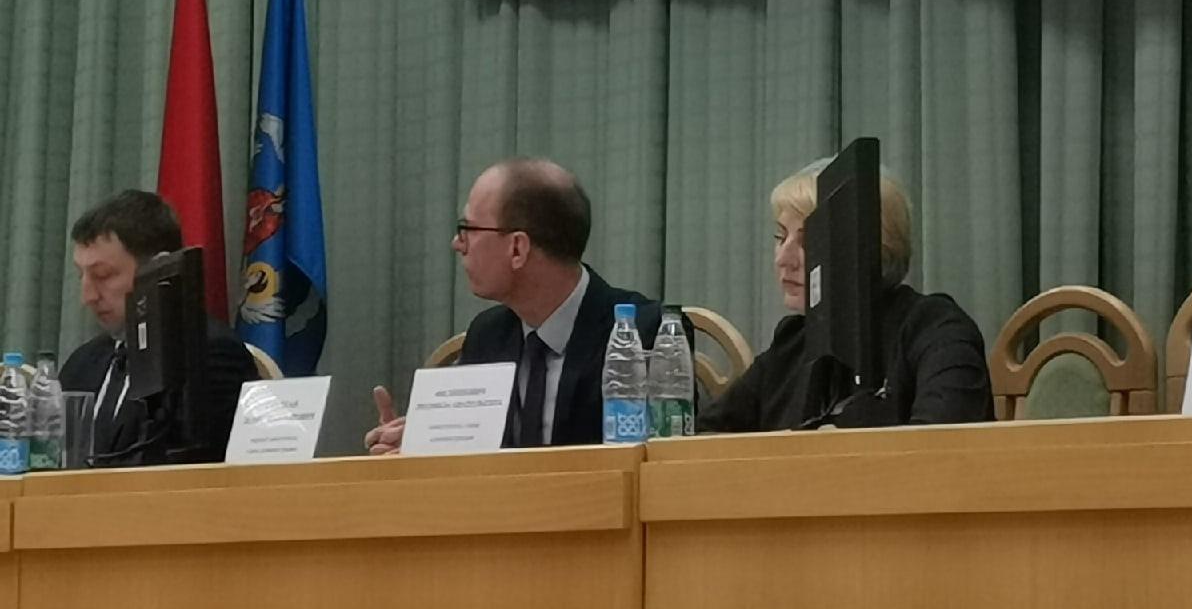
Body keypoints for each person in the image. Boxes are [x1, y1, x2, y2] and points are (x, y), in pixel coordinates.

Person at [365, 158, 666, 453]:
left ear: (517, 248)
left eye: (467, 229)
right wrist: (422, 444)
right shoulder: (487, 336)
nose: (457, 244)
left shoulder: (644, 334)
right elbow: (472, 459)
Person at [699, 159, 992, 432]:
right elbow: (705, 439)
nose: (783, 259)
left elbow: (944, 448)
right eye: (780, 237)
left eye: (808, 240)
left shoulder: (935, 328)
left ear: (869, 247)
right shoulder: (792, 343)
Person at [61, 190, 256, 466]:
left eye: (103, 275)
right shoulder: (82, 363)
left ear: (158, 269)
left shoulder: (208, 354)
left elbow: (194, 469)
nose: (88, 296)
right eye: (81, 276)